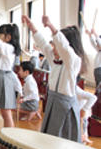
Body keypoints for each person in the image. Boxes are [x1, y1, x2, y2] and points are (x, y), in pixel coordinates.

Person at [22, 14, 87, 142]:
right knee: (50, 137)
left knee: (63, 139)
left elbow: (65, 49)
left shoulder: (73, 61)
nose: (54, 48)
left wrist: (51, 26)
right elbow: (43, 44)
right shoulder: (55, 60)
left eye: (56, 44)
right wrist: (32, 27)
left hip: (64, 105)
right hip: (53, 100)